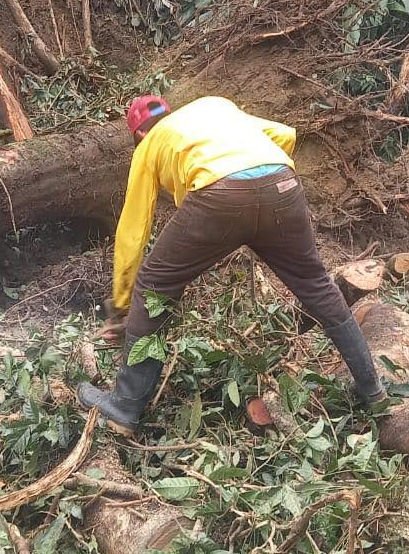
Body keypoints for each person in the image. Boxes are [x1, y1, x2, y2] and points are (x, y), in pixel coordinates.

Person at [78, 96, 386, 434]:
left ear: (137, 134)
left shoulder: (149, 145)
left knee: (153, 282)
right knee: (315, 284)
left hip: (220, 194)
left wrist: (122, 303)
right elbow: (285, 134)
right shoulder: (213, 107)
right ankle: (373, 391)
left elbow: (134, 228)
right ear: (170, 111)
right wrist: (258, 185)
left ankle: (125, 406)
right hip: (283, 183)